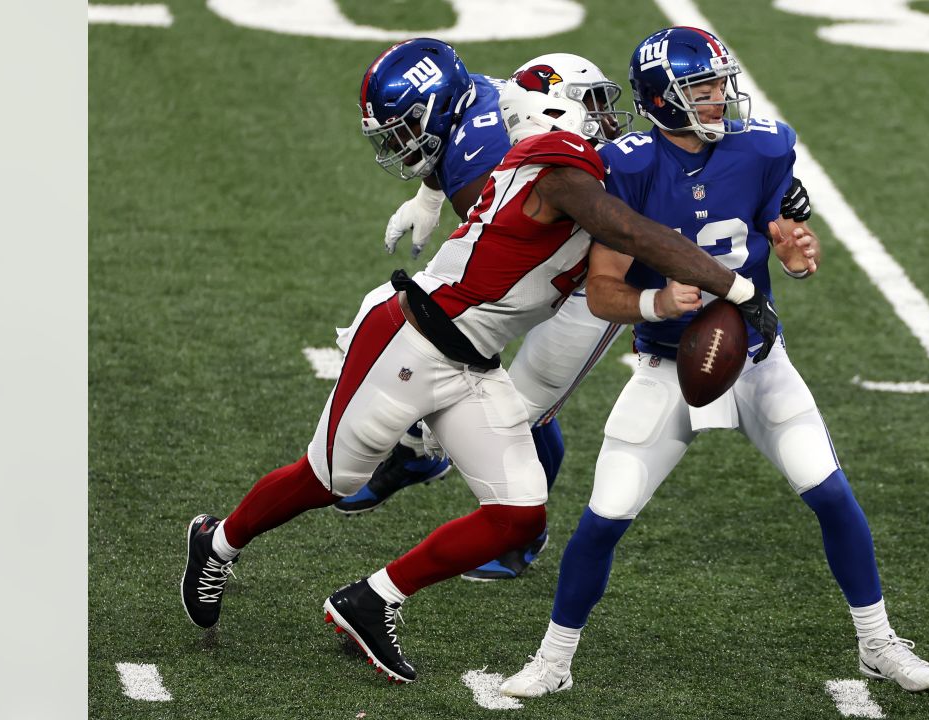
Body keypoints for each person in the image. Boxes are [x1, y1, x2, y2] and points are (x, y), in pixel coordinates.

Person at [179, 38, 781, 685]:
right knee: (326, 479)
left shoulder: (557, 157)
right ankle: (217, 542)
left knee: (519, 515)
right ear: (558, 114)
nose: (610, 123)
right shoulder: (559, 165)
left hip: (473, 364)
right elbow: (632, 232)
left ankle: (372, 599)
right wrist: (737, 287)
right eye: (595, 109)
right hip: (411, 343)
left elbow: (629, 247)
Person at [499, 26, 929, 697]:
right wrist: (657, 302)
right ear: (663, 99)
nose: (719, 98)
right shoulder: (625, 168)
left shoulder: (764, 147)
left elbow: (779, 232)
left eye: (718, 84)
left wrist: (794, 256)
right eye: (702, 88)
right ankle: (554, 661)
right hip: (666, 368)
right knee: (605, 516)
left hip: (759, 360)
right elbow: (604, 290)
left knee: (829, 492)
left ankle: (879, 642)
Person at [335, 46, 633, 582]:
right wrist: (430, 196)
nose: (400, 147)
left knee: (515, 404)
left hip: (595, 275)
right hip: (542, 257)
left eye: (406, 132)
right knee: (449, 348)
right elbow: (451, 139)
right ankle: (419, 453)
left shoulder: (485, 160)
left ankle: (524, 533)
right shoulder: (476, 95)